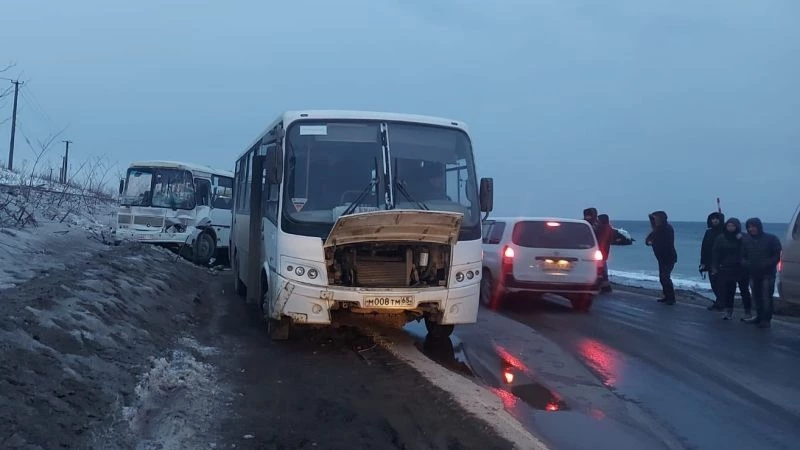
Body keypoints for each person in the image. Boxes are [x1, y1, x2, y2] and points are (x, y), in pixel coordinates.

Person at [741, 217, 782, 328]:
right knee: (756, 296)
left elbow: (777, 255)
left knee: (766, 296)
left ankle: (766, 319)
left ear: (759, 226)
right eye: (749, 227)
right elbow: (742, 256)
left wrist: (765, 264)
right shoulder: (746, 240)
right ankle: (759, 316)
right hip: (753, 273)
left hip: (767, 273)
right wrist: (746, 264)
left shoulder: (771, 239)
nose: (751, 229)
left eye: (753, 226)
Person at [711, 218, 744, 320]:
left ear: (737, 226)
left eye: (733, 226)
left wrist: (741, 238)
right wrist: (714, 266)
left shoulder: (742, 237)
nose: (730, 228)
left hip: (741, 267)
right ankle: (728, 311)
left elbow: (747, 250)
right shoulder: (721, 237)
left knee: (744, 289)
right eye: (729, 226)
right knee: (729, 290)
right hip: (726, 266)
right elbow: (716, 252)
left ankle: (747, 312)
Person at [646, 211, 677, 305]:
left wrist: (653, 242)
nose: (655, 220)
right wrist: (649, 242)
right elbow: (648, 239)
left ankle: (671, 298)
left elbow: (666, 242)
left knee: (665, 277)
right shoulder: (657, 229)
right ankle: (667, 296)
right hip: (661, 257)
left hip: (669, 257)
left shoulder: (667, 228)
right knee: (662, 277)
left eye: (656, 218)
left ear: (661, 219)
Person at [700, 212, 725, 310]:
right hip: (710, 262)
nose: (715, 220)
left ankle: (721, 303)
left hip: (722, 262)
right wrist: (702, 262)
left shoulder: (724, 232)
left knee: (721, 284)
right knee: (713, 283)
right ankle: (719, 302)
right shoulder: (708, 232)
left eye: (717, 219)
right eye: (713, 219)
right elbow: (704, 247)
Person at [596, 214, 614, 293]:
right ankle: (605, 286)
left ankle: (605, 286)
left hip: (601, 250)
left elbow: (601, 239)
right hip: (604, 250)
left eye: (599, 220)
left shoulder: (603, 228)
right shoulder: (608, 228)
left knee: (602, 268)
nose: (598, 221)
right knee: (603, 267)